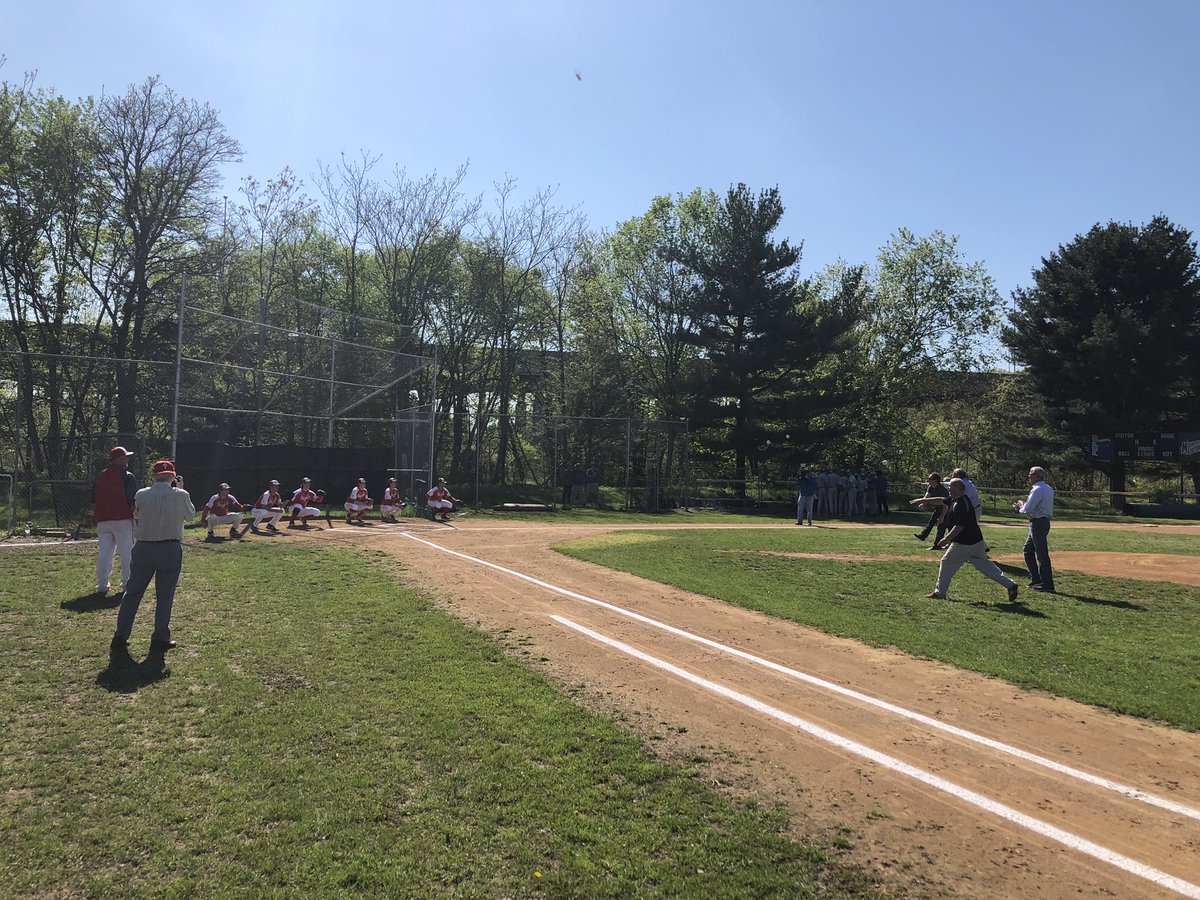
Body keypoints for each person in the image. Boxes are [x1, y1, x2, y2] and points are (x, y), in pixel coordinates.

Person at [110, 459, 196, 656]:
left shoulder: (141, 494)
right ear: (173, 476)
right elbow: (190, 516)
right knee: (164, 595)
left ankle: (121, 635)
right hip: (169, 548)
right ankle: (160, 636)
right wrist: (182, 489)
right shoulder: (181, 495)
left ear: (154, 476)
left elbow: (137, 514)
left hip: (143, 547)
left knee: (132, 592)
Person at [927, 478, 1018, 602]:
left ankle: (940, 593)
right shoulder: (956, 499)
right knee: (985, 565)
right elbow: (940, 500)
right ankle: (1010, 585)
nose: (949, 489)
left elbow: (959, 526)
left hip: (964, 543)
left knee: (946, 562)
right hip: (976, 541)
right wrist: (923, 500)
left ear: (959, 489)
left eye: (951, 487)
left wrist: (946, 539)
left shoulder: (961, 504)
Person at [89, 446, 138, 596]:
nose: (127, 459)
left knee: (105, 553)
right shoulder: (127, 476)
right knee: (127, 553)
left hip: (103, 520)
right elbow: (131, 499)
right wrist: (136, 517)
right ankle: (126, 584)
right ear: (118, 459)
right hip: (123, 519)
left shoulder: (100, 475)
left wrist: (92, 515)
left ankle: (102, 585)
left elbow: (93, 499)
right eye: (125, 457)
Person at [1014, 465, 1056, 593]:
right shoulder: (1048, 488)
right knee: (1028, 550)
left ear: (1036, 477)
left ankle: (1047, 583)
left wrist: (1020, 506)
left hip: (1038, 523)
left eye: (1030, 474)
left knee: (1041, 554)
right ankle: (1037, 579)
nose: (1029, 477)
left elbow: (1029, 508)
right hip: (1042, 522)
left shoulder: (1037, 489)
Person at [910, 472, 950, 548]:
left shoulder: (943, 490)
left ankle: (937, 545)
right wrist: (922, 503)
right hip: (938, 509)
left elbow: (946, 504)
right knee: (931, 521)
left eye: (929, 479)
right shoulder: (930, 487)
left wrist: (942, 516)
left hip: (946, 510)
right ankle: (923, 536)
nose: (928, 480)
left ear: (935, 480)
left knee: (941, 527)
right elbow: (927, 496)